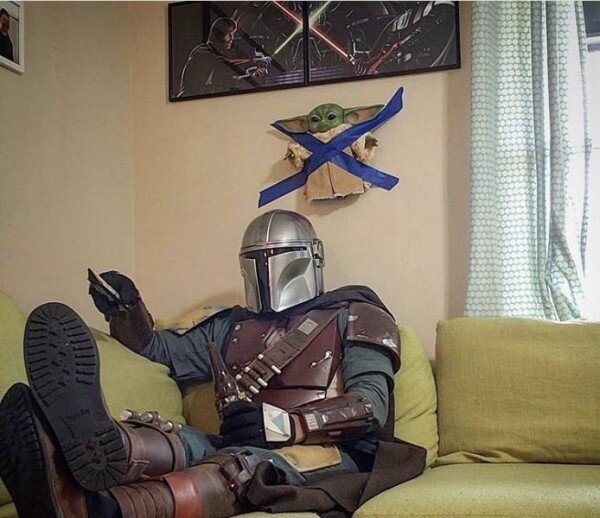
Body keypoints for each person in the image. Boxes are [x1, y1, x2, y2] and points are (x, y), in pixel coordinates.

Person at [0, 210, 426, 518]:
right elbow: (158, 351)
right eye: (257, 257)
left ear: (312, 256)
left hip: (323, 451)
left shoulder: (357, 313)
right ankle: (85, 449)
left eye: (278, 255)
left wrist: (283, 425)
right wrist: (126, 310)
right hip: (233, 439)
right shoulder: (229, 325)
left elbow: (369, 407)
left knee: (239, 467)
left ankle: (101, 508)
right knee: (174, 436)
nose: (267, 269)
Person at [177, 16, 270, 98]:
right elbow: (226, 65)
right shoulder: (203, 51)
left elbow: (229, 81)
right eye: (228, 33)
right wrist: (254, 61)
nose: (232, 38)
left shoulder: (215, 54)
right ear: (218, 35)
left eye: (232, 34)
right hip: (187, 104)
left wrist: (251, 76)